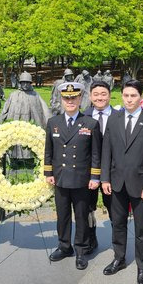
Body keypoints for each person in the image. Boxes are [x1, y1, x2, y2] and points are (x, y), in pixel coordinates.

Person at [101, 80, 143, 284]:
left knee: (142, 229)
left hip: (141, 185)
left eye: (133, 96)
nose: (129, 99)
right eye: (126, 95)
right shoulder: (114, 118)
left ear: (141, 97)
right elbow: (106, 151)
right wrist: (104, 178)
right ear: (122, 96)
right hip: (116, 183)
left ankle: (142, 266)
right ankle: (119, 258)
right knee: (117, 224)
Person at [44, 82, 101, 270]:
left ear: (80, 99)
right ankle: (64, 246)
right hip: (60, 177)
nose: (70, 101)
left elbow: (95, 154)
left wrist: (94, 177)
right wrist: (48, 172)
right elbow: (48, 151)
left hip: (81, 179)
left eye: (73, 97)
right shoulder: (53, 122)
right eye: (66, 98)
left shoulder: (91, 123)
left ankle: (81, 250)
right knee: (62, 215)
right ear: (62, 99)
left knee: (82, 216)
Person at [82, 80, 117, 252]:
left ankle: (118, 244)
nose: (100, 98)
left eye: (103, 94)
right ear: (90, 97)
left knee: (115, 209)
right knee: (88, 207)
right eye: (96, 94)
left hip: (113, 172)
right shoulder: (83, 117)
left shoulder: (120, 116)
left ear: (110, 95)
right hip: (90, 173)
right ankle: (90, 239)